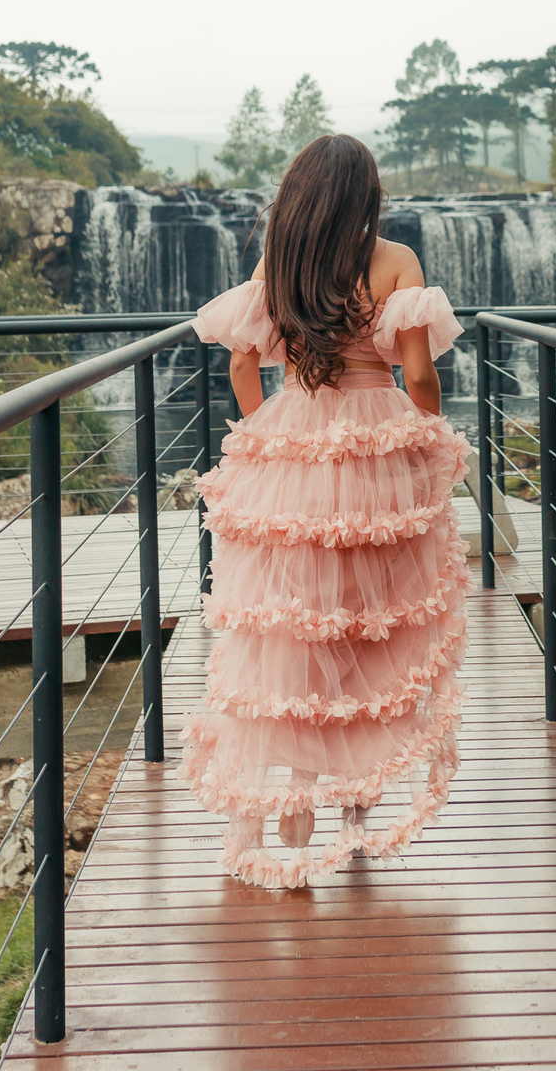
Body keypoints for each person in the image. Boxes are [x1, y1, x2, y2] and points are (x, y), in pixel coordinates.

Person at [179, 134, 470, 888]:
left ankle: (286, 816)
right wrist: (427, 429)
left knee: (291, 626)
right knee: (369, 626)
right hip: (375, 446)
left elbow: (244, 364)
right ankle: (353, 815)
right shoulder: (396, 259)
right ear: (366, 195)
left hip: (299, 435)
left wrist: (264, 437)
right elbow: (416, 372)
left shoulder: (282, 263)